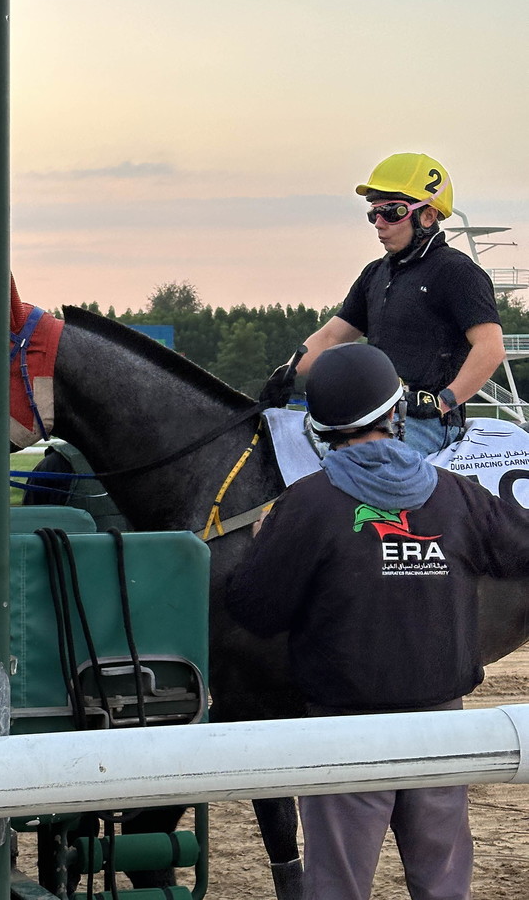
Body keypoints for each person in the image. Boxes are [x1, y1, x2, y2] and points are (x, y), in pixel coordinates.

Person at [228, 342, 529, 900]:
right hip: (442, 727)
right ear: (396, 414)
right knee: (443, 887)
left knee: (337, 887)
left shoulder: (307, 504)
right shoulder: (458, 495)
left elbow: (254, 611)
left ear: (321, 428)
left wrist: (264, 544)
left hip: (345, 730)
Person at [263, 152, 504, 455]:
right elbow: (332, 336)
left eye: (391, 212)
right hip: (372, 415)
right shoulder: (374, 274)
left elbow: (490, 347)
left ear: (428, 216)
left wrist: (442, 403)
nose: (378, 223)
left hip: (427, 423)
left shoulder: (458, 271)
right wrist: (287, 372)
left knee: (349, 465)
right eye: (373, 213)